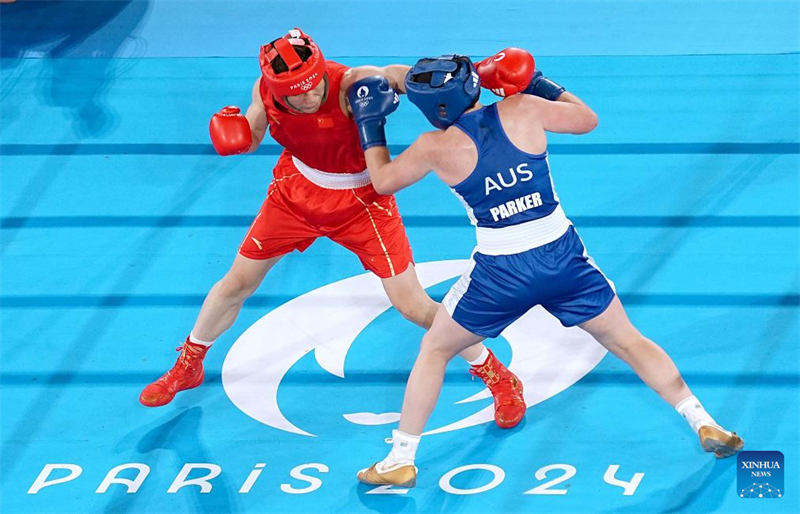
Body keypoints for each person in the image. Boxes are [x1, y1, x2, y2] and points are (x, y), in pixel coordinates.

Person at [346, 49, 744, 488]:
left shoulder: (432, 147)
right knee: (628, 340)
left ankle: (401, 458)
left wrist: (371, 124)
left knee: (436, 349)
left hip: (500, 272)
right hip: (562, 257)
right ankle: (702, 419)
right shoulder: (523, 108)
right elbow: (587, 119)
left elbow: (381, 181)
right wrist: (536, 81)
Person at [139, 29, 526, 431]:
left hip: (362, 203)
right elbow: (252, 136)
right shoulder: (265, 90)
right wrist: (233, 133)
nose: (308, 97)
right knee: (236, 282)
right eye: (297, 94)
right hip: (294, 193)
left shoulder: (351, 84)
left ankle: (496, 373)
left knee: (412, 305)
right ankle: (190, 361)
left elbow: (402, 77)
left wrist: (469, 76)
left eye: (313, 87)